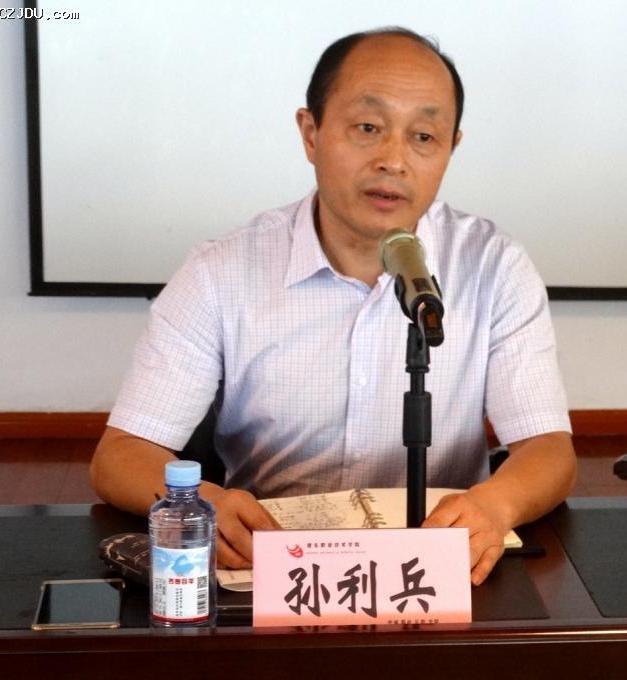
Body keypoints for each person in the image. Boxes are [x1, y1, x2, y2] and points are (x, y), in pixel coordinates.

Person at [90, 27, 577, 586]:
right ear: (311, 133)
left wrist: (495, 505)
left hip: (437, 576)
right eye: (368, 127)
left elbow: (548, 449)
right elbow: (122, 454)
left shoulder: (494, 266)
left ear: (450, 149)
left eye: (423, 136)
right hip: (274, 572)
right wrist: (204, 501)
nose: (394, 160)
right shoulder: (220, 272)